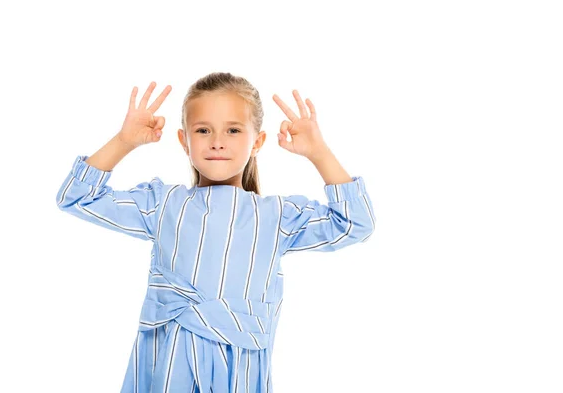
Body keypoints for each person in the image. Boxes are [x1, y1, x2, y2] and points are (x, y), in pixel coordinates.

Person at [55, 72, 376, 392]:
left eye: (233, 130)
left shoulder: (277, 217)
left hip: (238, 376)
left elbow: (355, 223)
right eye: (203, 130)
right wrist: (123, 142)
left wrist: (319, 153)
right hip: (166, 372)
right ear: (184, 141)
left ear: (257, 142)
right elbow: (76, 197)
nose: (217, 141)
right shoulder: (163, 204)